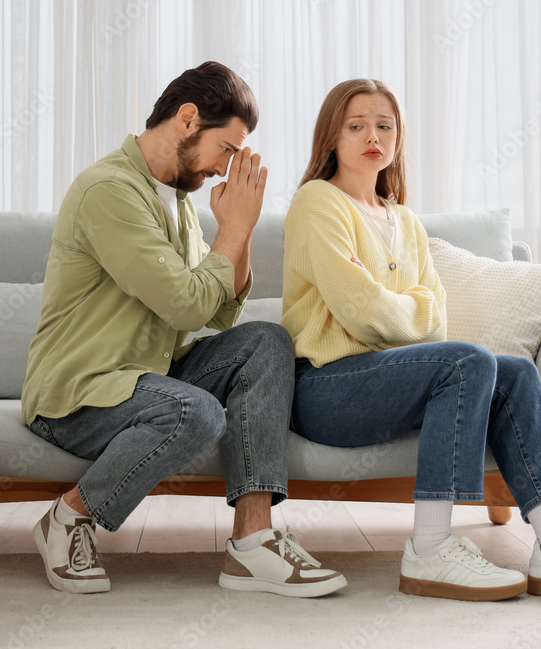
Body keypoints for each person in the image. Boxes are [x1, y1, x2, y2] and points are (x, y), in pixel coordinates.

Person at [281, 78, 541, 602]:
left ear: (398, 138)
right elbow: (360, 311)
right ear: (332, 138)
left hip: (395, 381)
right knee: (467, 361)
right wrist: (403, 305)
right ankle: (431, 547)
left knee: (516, 372)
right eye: (356, 125)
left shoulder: (405, 222)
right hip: (326, 392)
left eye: (384, 125)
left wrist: (392, 305)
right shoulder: (318, 202)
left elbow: (434, 321)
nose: (373, 135)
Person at [22, 62, 346, 598]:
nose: (225, 170)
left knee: (267, 341)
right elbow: (187, 304)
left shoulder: (177, 200)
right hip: (80, 393)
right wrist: (238, 226)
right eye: (226, 150)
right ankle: (67, 518)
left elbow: (221, 315)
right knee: (195, 413)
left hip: (150, 376)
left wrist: (233, 236)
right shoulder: (109, 191)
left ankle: (252, 541)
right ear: (188, 119)